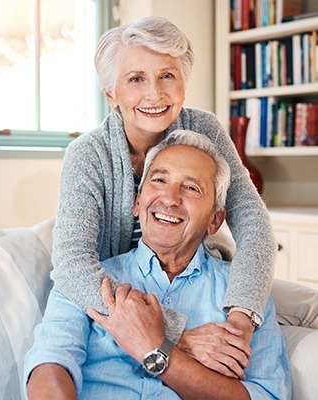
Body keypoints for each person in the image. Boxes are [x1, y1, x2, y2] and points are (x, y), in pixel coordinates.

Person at [51, 15, 276, 363]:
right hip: (126, 290)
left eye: (167, 75)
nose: (154, 93)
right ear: (112, 94)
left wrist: (241, 317)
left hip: (199, 279)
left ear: (184, 83)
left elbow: (253, 222)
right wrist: (175, 335)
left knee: (307, 308)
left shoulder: (204, 128)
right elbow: (71, 264)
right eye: (136, 79)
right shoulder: (87, 155)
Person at [24, 130, 291, 400]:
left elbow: (264, 394)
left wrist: (155, 349)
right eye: (159, 179)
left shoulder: (243, 299)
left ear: (215, 220)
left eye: (191, 188)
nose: (170, 198)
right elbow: (49, 366)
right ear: (138, 203)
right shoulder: (87, 280)